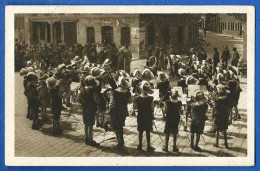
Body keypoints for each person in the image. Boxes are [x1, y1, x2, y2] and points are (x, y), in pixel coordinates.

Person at [109, 76, 131, 149]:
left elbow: (112, 103)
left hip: (115, 110)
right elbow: (129, 101)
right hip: (123, 110)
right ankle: (121, 142)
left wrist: (109, 109)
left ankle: (120, 142)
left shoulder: (115, 92)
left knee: (116, 126)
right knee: (120, 126)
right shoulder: (128, 92)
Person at [79, 76, 100, 146]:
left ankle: (86, 138)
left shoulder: (83, 90)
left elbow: (79, 99)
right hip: (91, 109)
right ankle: (90, 140)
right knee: (90, 124)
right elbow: (96, 100)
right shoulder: (93, 91)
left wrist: (83, 104)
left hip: (85, 108)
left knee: (86, 124)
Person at [135, 81, 155, 152]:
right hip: (148, 116)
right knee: (148, 131)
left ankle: (140, 145)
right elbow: (152, 108)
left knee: (140, 131)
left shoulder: (137, 98)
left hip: (140, 116)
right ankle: (148, 145)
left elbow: (136, 108)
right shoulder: (151, 98)